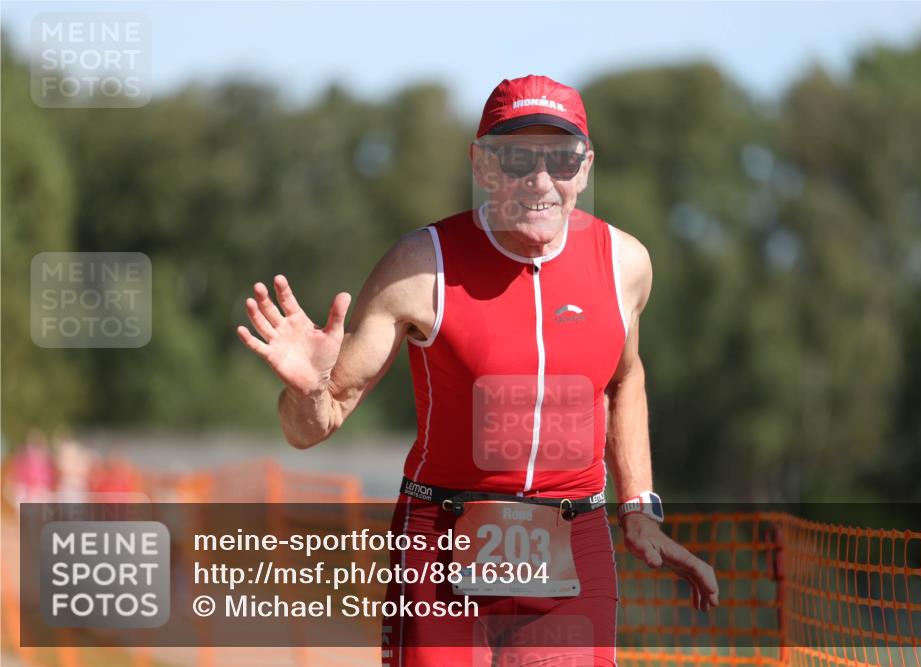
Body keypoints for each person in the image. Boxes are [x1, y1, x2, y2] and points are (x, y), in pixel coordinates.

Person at [238, 74, 719, 665]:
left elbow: (624, 380)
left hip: (574, 541)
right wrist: (311, 389)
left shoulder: (626, 264)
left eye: (561, 159)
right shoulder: (420, 267)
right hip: (442, 543)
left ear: (585, 167)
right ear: (483, 166)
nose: (541, 181)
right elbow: (311, 426)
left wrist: (639, 507)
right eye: (517, 159)